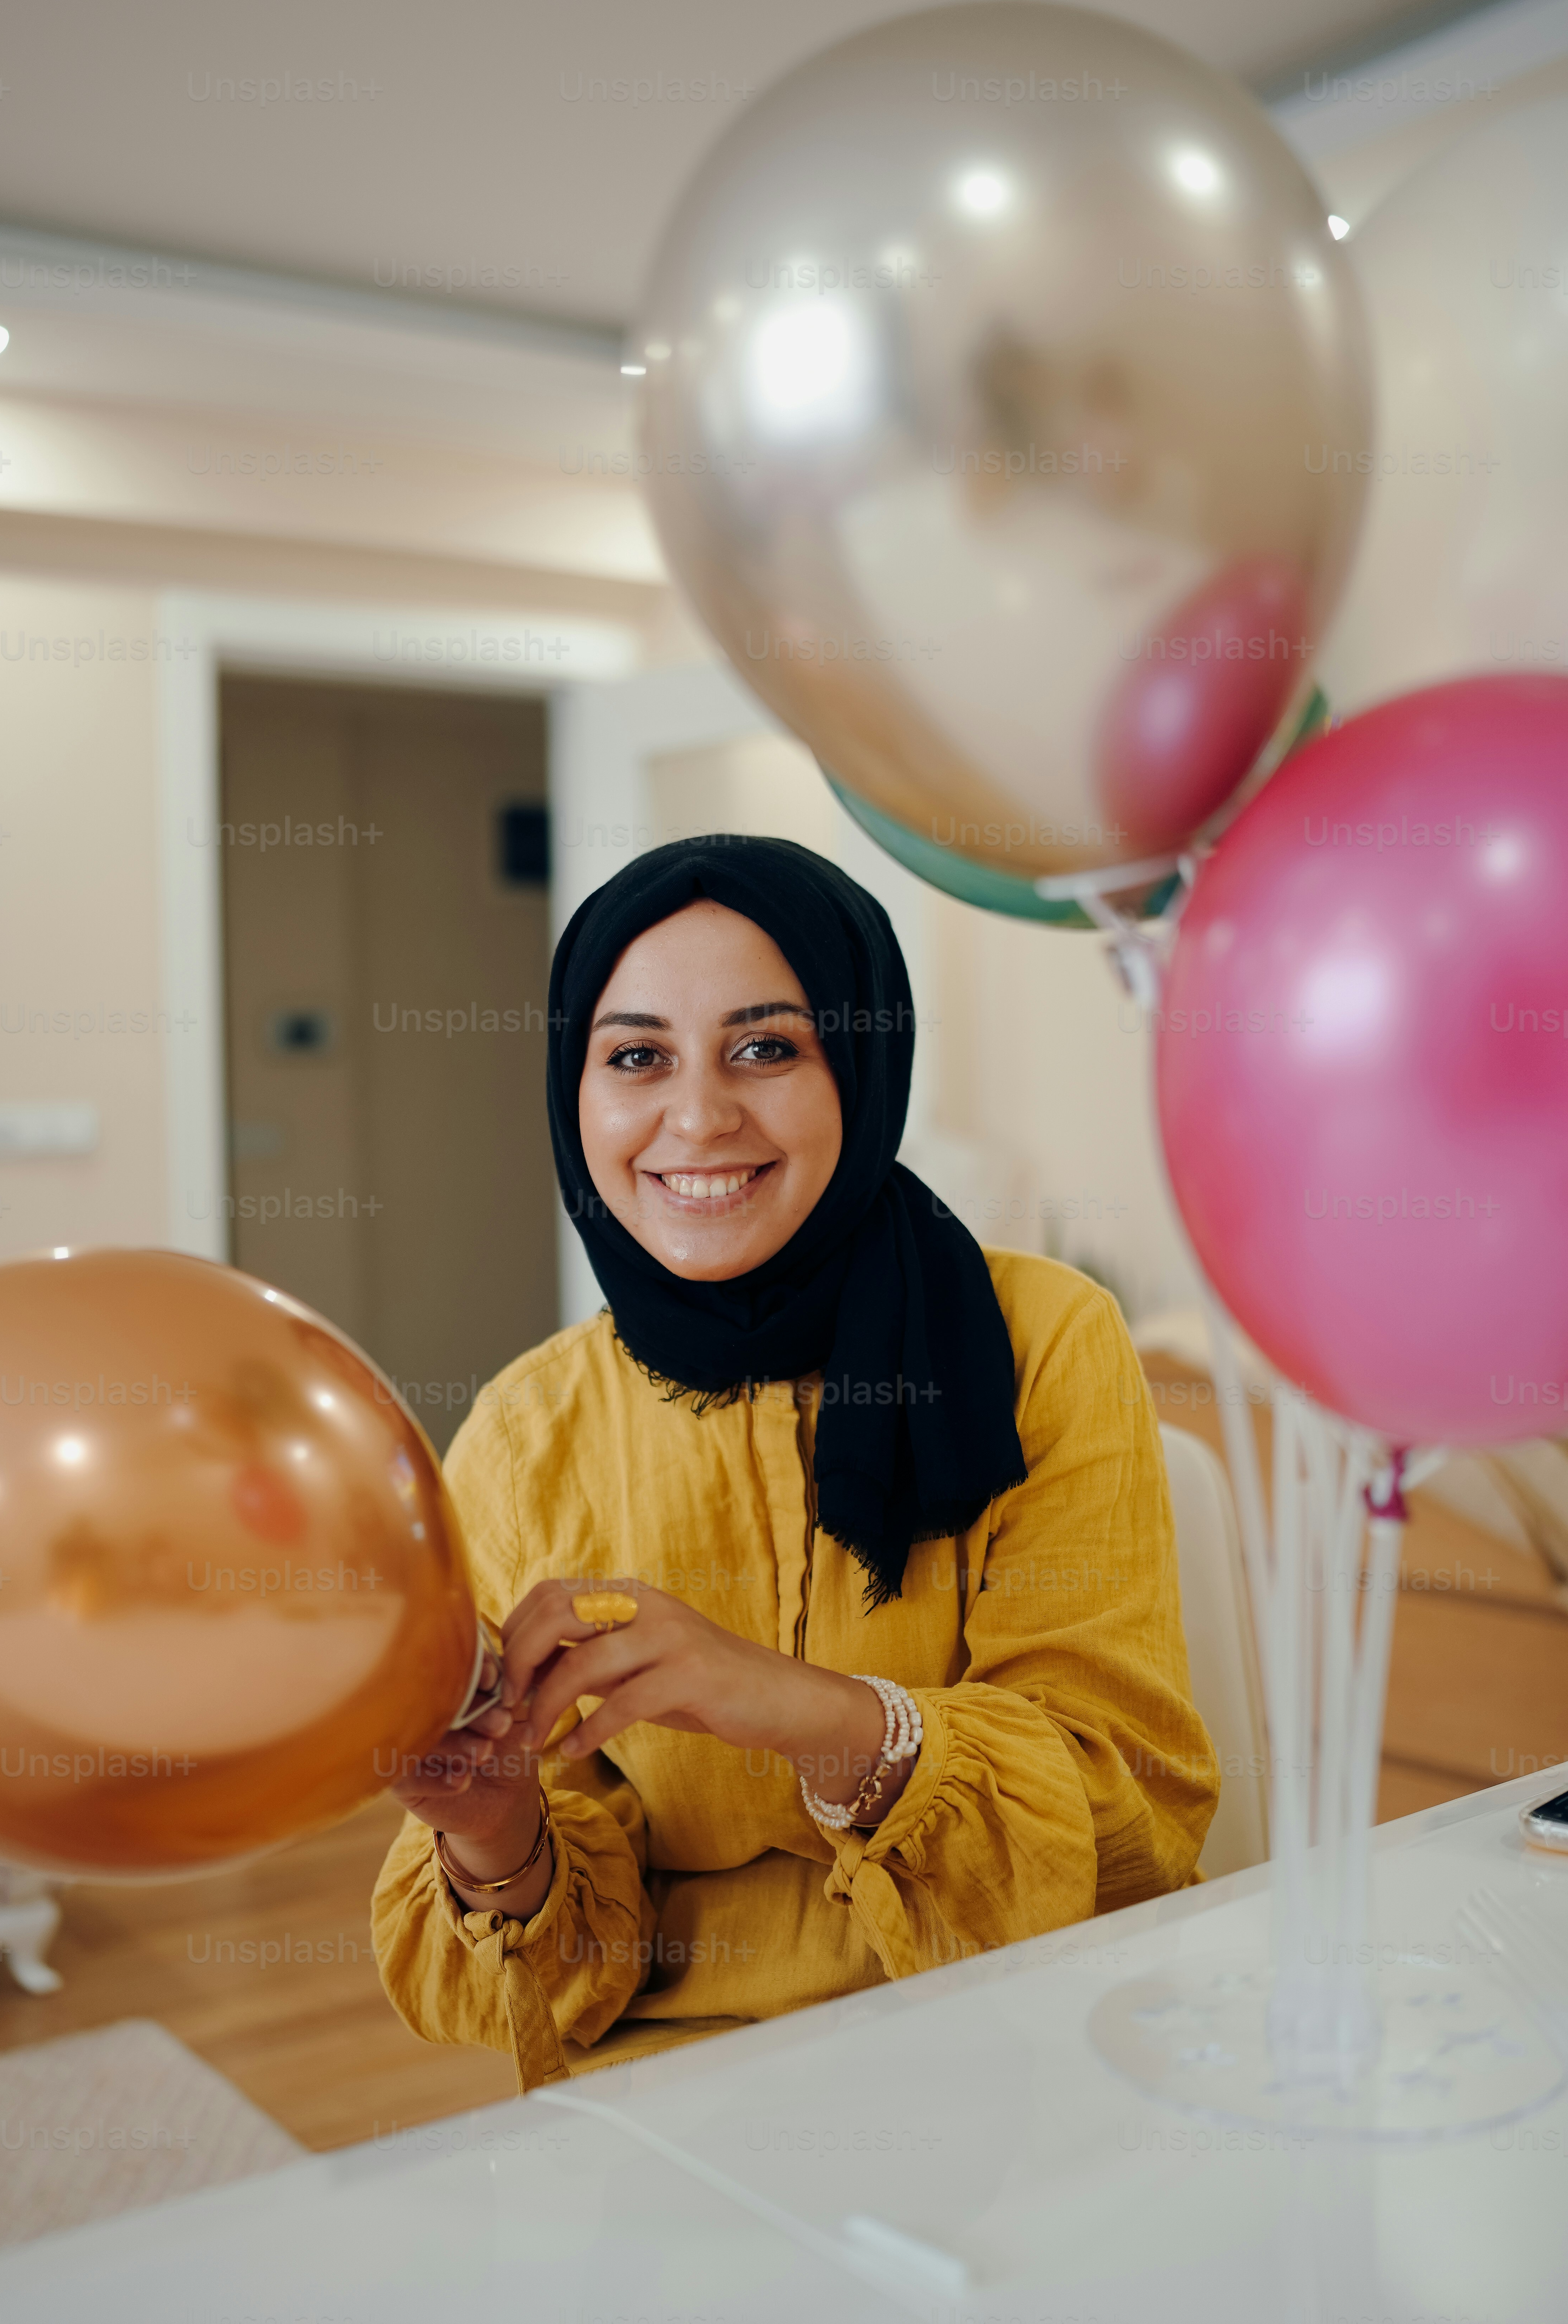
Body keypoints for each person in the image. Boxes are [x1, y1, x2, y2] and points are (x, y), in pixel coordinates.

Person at [372, 836, 1217, 2089]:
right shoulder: (522, 1431)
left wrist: (794, 1711)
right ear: (575, 1091)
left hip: (1029, 2051)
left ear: (861, 1070)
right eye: (637, 1056)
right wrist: (499, 1836)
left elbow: (1130, 1832)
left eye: (768, 1047)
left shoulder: (1042, 1342)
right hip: (675, 2108)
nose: (700, 1116)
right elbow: (525, 1995)